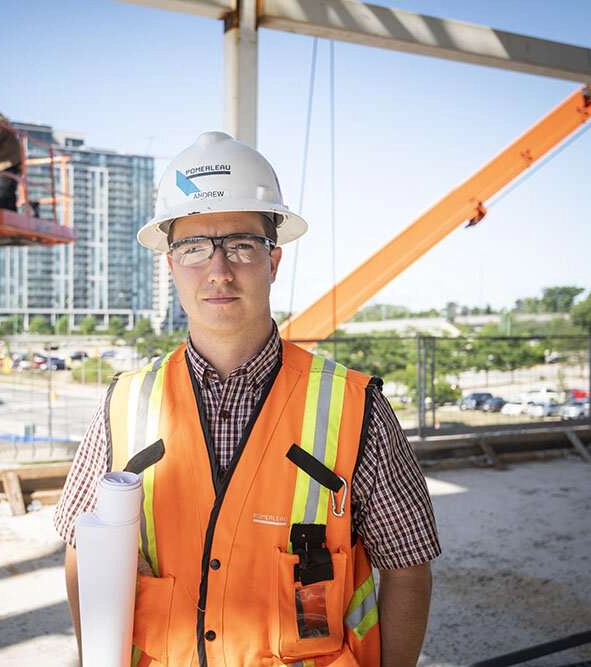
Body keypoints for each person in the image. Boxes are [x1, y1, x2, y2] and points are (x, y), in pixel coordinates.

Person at [53, 131, 440, 666]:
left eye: (240, 245)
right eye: (192, 247)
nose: (218, 270)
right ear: (170, 267)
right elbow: (82, 548)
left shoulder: (355, 408)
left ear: (273, 261)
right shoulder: (125, 403)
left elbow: (408, 565)